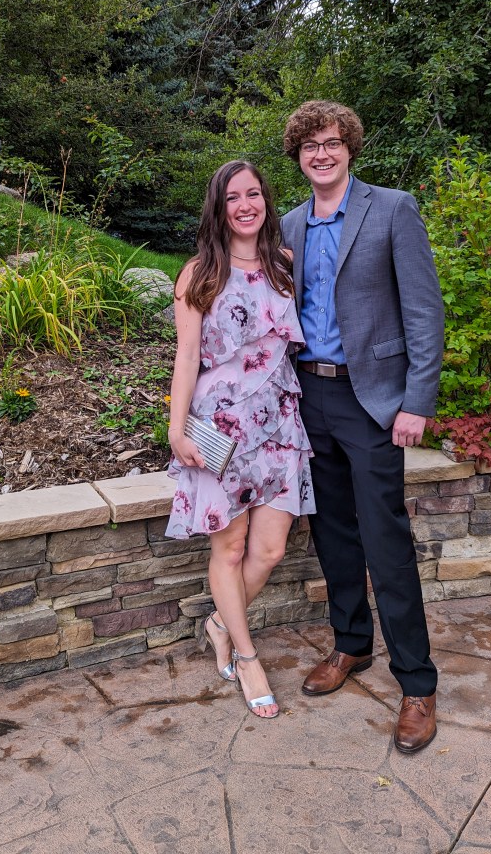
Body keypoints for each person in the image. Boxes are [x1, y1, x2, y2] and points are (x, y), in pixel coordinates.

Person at [281, 100, 445, 753]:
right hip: (308, 399)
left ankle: (416, 684)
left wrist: (417, 400)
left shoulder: (391, 209)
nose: (320, 153)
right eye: (308, 146)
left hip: (372, 401)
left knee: (386, 542)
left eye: (330, 142)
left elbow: (424, 313)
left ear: (349, 145)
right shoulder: (289, 224)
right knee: (334, 537)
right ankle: (350, 646)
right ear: (297, 157)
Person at [167, 160, 315, 720]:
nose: (246, 204)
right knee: (228, 548)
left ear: (266, 201)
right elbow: (185, 359)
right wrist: (176, 429)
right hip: (219, 425)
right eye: (234, 197)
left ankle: (217, 623)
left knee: (271, 548)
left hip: (279, 420)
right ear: (218, 207)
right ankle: (247, 655)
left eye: (254, 193)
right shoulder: (198, 274)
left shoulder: (284, 264)